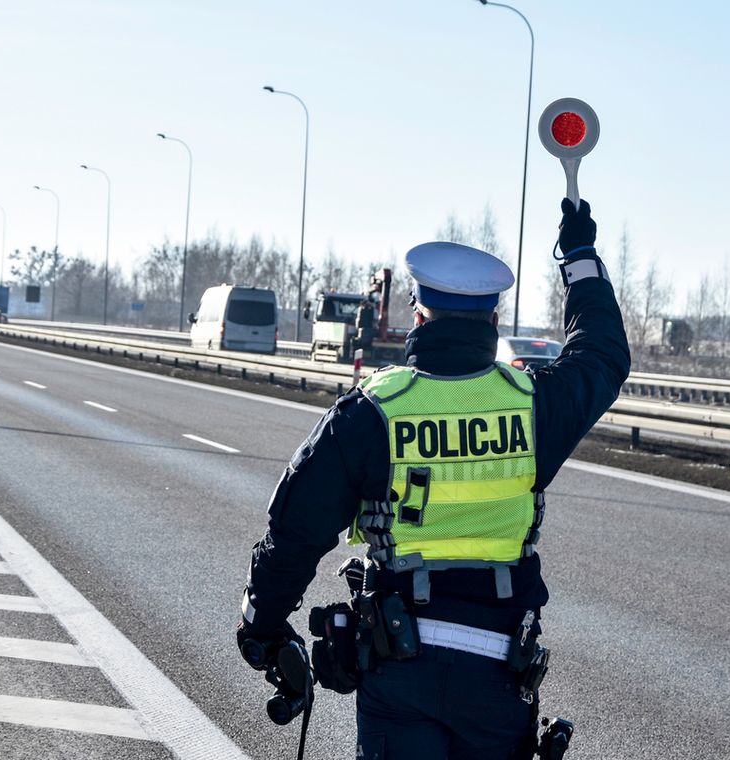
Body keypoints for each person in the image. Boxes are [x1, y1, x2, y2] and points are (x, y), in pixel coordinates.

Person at [238, 198, 630, 759]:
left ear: (419, 317)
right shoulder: (533, 405)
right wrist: (580, 256)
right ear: (494, 322)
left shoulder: (372, 411)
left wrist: (264, 627)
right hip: (499, 674)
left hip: (399, 668)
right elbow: (603, 354)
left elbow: (297, 532)